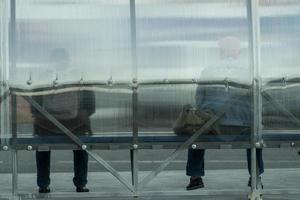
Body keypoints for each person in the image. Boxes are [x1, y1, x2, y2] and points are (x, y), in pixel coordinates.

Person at [186, 37, 264, 190]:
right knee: (256, 134)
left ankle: (195, 177)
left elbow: (199, 99)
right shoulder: (250, 71)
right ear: (239, 51)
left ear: (220, 51)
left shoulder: (208, 70)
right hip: (243, 127)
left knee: (196, 135)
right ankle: (255, 176)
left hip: (214, 127)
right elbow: (258, 100)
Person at [31, 48, 95, 193]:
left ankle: (43, 184)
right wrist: (81, 119)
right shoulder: (79, 75)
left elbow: (34, 106)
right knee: (81, 146)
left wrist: (43, 118)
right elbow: (90, 105)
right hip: (76, 125)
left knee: (42, 148)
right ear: (68, 60)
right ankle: (81, 183)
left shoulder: (43, 77)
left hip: (45, 126)